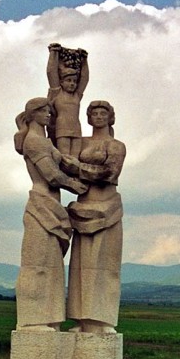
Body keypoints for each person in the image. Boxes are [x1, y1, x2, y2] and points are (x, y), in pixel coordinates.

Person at [13, 97, 88, 330]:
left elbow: (62, 162)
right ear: (33, 114)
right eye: (44, 110)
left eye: (49, 110)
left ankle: (49, 318)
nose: (48, 114)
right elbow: (51, 175)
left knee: (52, 267)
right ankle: (33, 319)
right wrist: (74, 185)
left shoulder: (45, 141)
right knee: (38, 265)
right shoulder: (34, 141)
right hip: (41, 204)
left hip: (52, 206)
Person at [62, 100, 126, 334]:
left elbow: (109, 173)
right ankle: (81, 319)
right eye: (94, 113)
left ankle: (102, 320)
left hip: (108, 208)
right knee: (82, 266)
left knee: (105, 265)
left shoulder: (116, 145)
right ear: (88, 117)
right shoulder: (81, 143)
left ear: (110, 118)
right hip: (83, 208)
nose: (98, 116)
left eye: (103, 113)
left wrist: (77, 168)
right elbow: (60, 161)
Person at [46, 43, 89, 158]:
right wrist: (53, 53)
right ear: (61, 82)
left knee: (76, 158)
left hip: (76, 127)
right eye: (69, 80)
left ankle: (75, 176)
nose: (72, 84)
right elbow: (51, 72)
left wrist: (84, 60)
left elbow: (84, 79)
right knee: (64, 156)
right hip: (62, 128)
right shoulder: (57, 93)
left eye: (74, 81)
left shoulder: (76, 96)